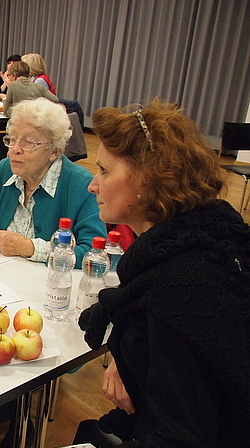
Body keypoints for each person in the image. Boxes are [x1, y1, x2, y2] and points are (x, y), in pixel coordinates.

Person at [79, 98, 250, 447]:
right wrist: (126, 358)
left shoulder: (183, 286)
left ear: (147, 179)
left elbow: (182, 433)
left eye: (105, 171)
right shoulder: (196, 238)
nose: (92, 185)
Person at [0, 97, 105, 266]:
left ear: (55, 151)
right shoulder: (5, 169)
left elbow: (95, 255)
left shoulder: (81, 185)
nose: (15, 150)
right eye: (12, 139)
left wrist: (31, 248)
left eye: (28, 143)